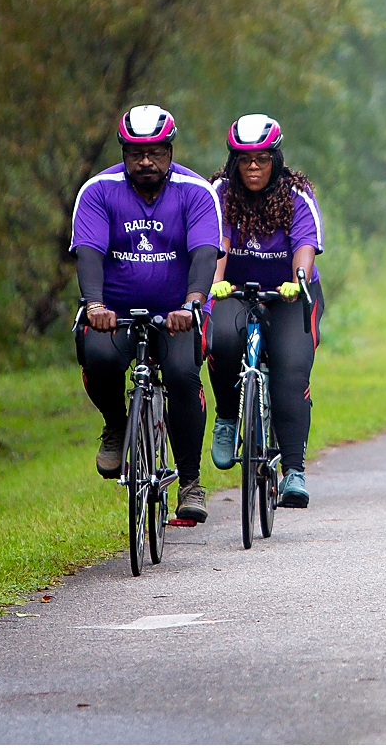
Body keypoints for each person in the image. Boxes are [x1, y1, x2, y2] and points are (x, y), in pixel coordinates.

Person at [70, 104, 222, 524]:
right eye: (136, 152)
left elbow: (205, 253)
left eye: (155, 152)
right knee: (97, 355)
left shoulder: (195, 192)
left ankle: (190, 482)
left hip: (178, 314)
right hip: (115, 314)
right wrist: (95, 305)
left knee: (182, 375)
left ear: (170, 151)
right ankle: (117, 426)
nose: (146, 161)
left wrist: (192, 302)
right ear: (123, 152)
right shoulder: (99, 191)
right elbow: (88, 253)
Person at [205, 113, 325, 508]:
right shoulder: (220, 191)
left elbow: (305, 243)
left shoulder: (295, 193)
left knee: (290, 368)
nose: (253, 167)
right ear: (232, 162)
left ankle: (294, 470)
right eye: (244, 160)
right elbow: (216, 241)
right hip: (234, 291)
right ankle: (226, 417)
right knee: (221, 340)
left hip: (289, 293)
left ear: (276, 158)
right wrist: (215, 281)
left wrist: (300, 279)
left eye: (261, 159)